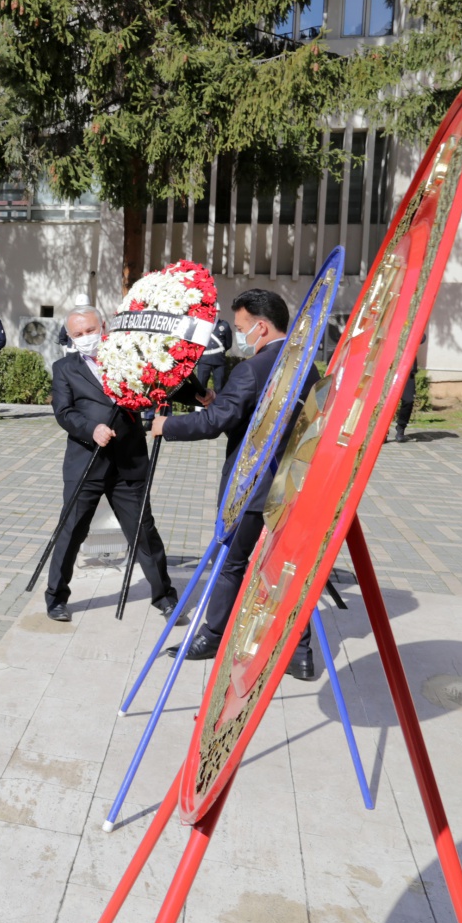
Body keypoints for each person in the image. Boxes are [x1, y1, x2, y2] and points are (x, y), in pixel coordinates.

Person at [154, 289, 319, 680]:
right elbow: (260, 415)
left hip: (252, 485)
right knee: (285, 570)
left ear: (261, 327)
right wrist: (221, 402)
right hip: (293, 483)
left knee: (231, 563)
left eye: (243, 328)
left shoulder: (253, 369)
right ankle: (299, 652)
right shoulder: (307, 365)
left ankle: (212, 636)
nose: (241, 335)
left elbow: (215, 425)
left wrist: (167, 425)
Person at [44, 306, 176, 622]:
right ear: (71, 338)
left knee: (143, 530)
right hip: (86, 462)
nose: (86, 338)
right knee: (72, 530)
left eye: (90, 330)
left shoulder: (129, 358)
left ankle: (164, 596)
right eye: (78, 334)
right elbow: (63, 412)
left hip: (128, 460)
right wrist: (91, 429)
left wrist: (193, 396)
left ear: (102, 326)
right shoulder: (65, 368)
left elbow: (166, 378)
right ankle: (56, 598)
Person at [390, 358, 419, 442]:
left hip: (408, 370)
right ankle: (383, 431)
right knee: (388, 402)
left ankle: (401, 428)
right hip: (390, 369)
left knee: (408, 400)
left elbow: (420, 343)